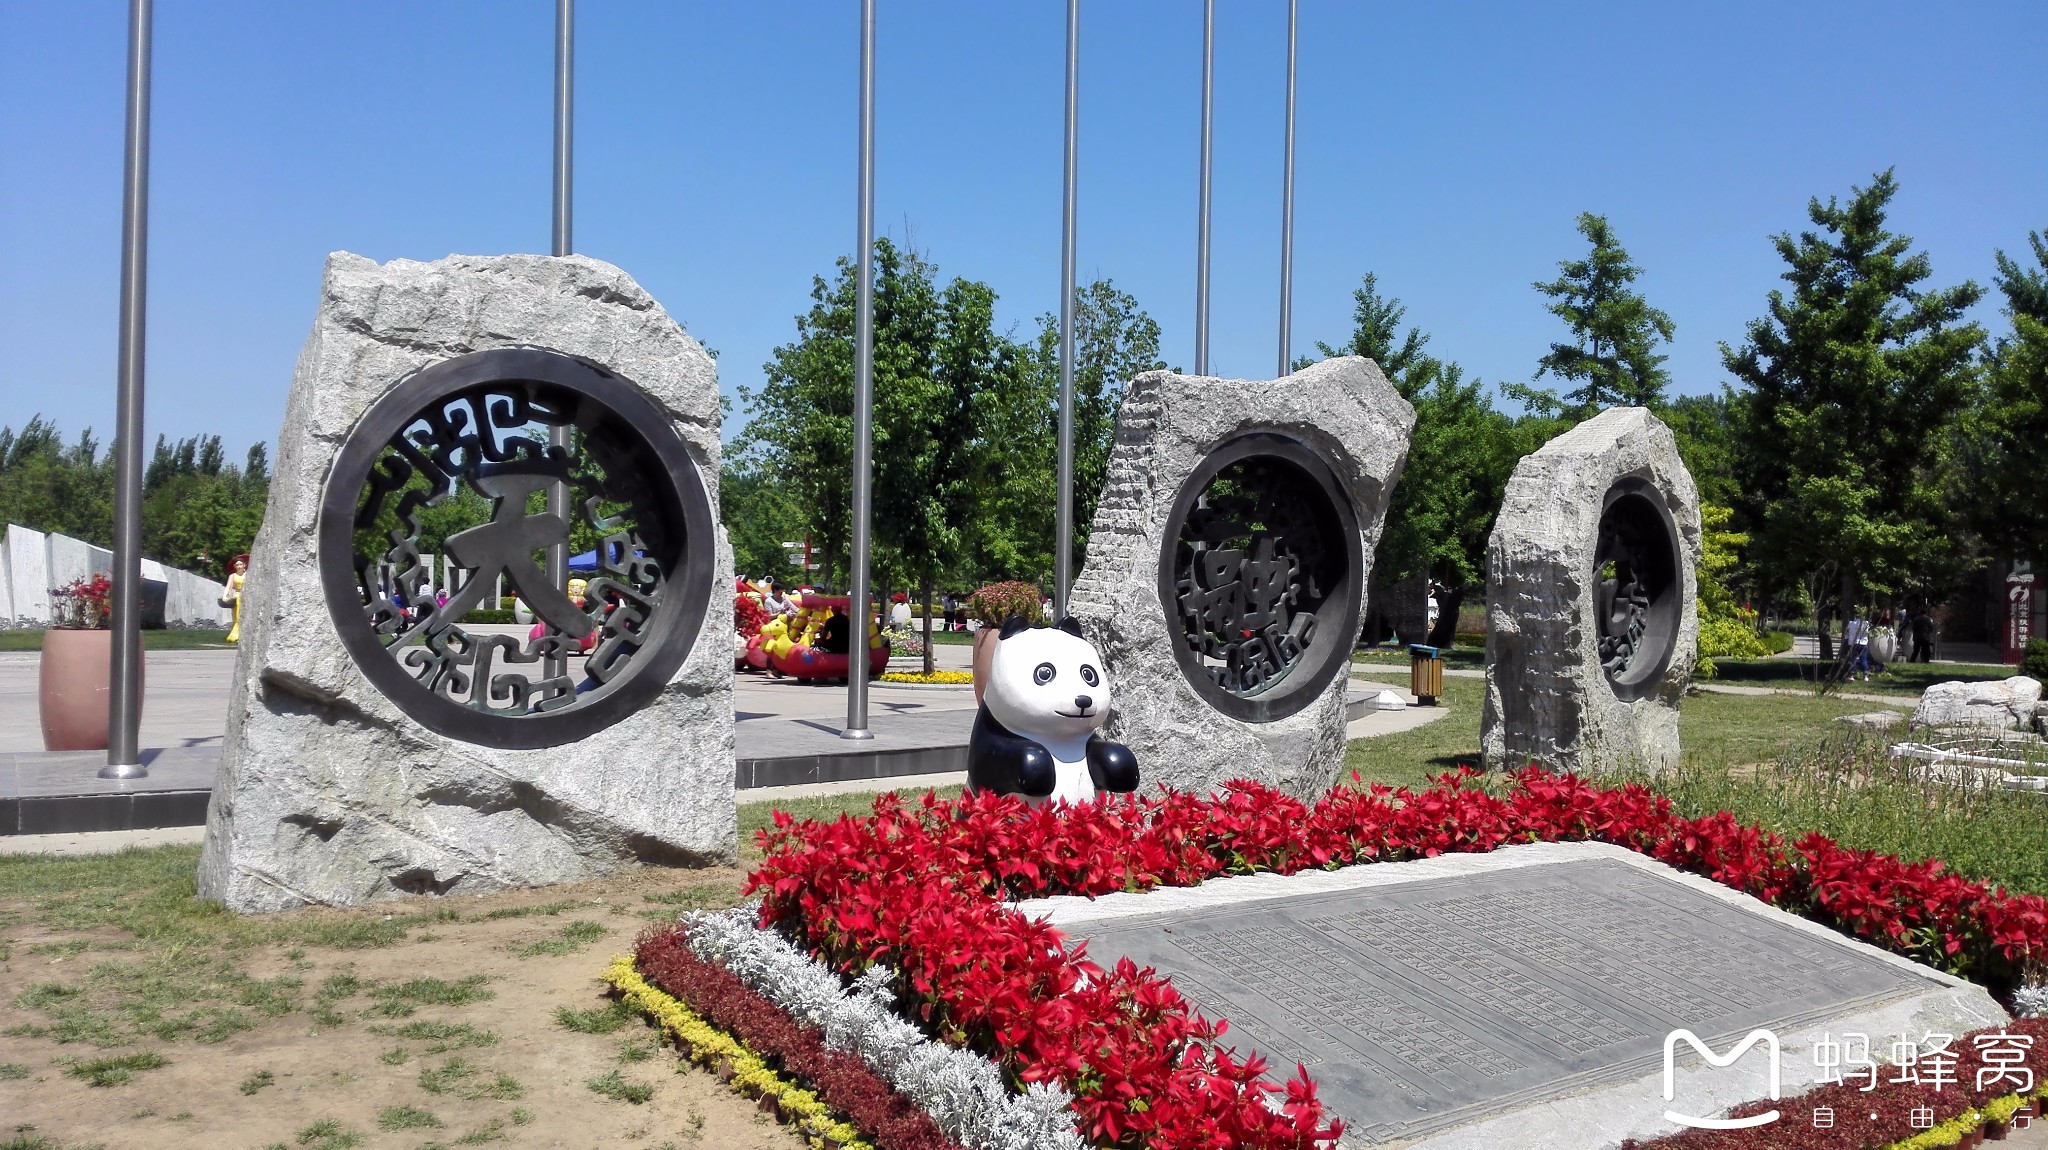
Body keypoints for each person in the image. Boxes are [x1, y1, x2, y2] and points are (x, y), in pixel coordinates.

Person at [221, 553, 249, 644]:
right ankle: (236, 635)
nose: (239, 566)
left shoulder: (248, 575)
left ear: (244, 565)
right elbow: (228, 587)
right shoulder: (232, 576)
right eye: (237, 565)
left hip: (246, 597)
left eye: (240, 564)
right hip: (237, 597)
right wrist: (225, 596)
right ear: (234, 566)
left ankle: (245, 635)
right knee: (236, 616)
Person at [1843, 610, 1871, 681]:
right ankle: (1865, 676)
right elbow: (1868, 633)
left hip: (1853, 643)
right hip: (1863, 643)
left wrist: (1846, 639)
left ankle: (1851, 675)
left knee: (1853, 659)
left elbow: (1847, 633)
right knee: (1863, 660)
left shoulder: (1851, 623)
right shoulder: (1866, 623)